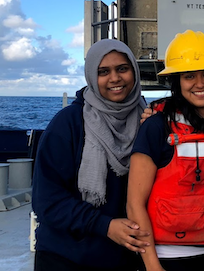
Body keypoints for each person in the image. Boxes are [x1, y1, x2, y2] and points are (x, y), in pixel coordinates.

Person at [127, 30, 204, 271]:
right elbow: (134, 205)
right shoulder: (157, 126)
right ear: (177, 82)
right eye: (189, 76)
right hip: (167, 258)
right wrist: (152, 265)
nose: (200, 84)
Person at [32, 39, 149, 271]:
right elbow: (47, 201)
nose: (114, 78)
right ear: (91, 77)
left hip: (125, 258)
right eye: (103, 72)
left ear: (134, 72)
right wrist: (104, 226)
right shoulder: (69, 123)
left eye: (122, 69)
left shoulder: (148, 121)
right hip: (66, 257)